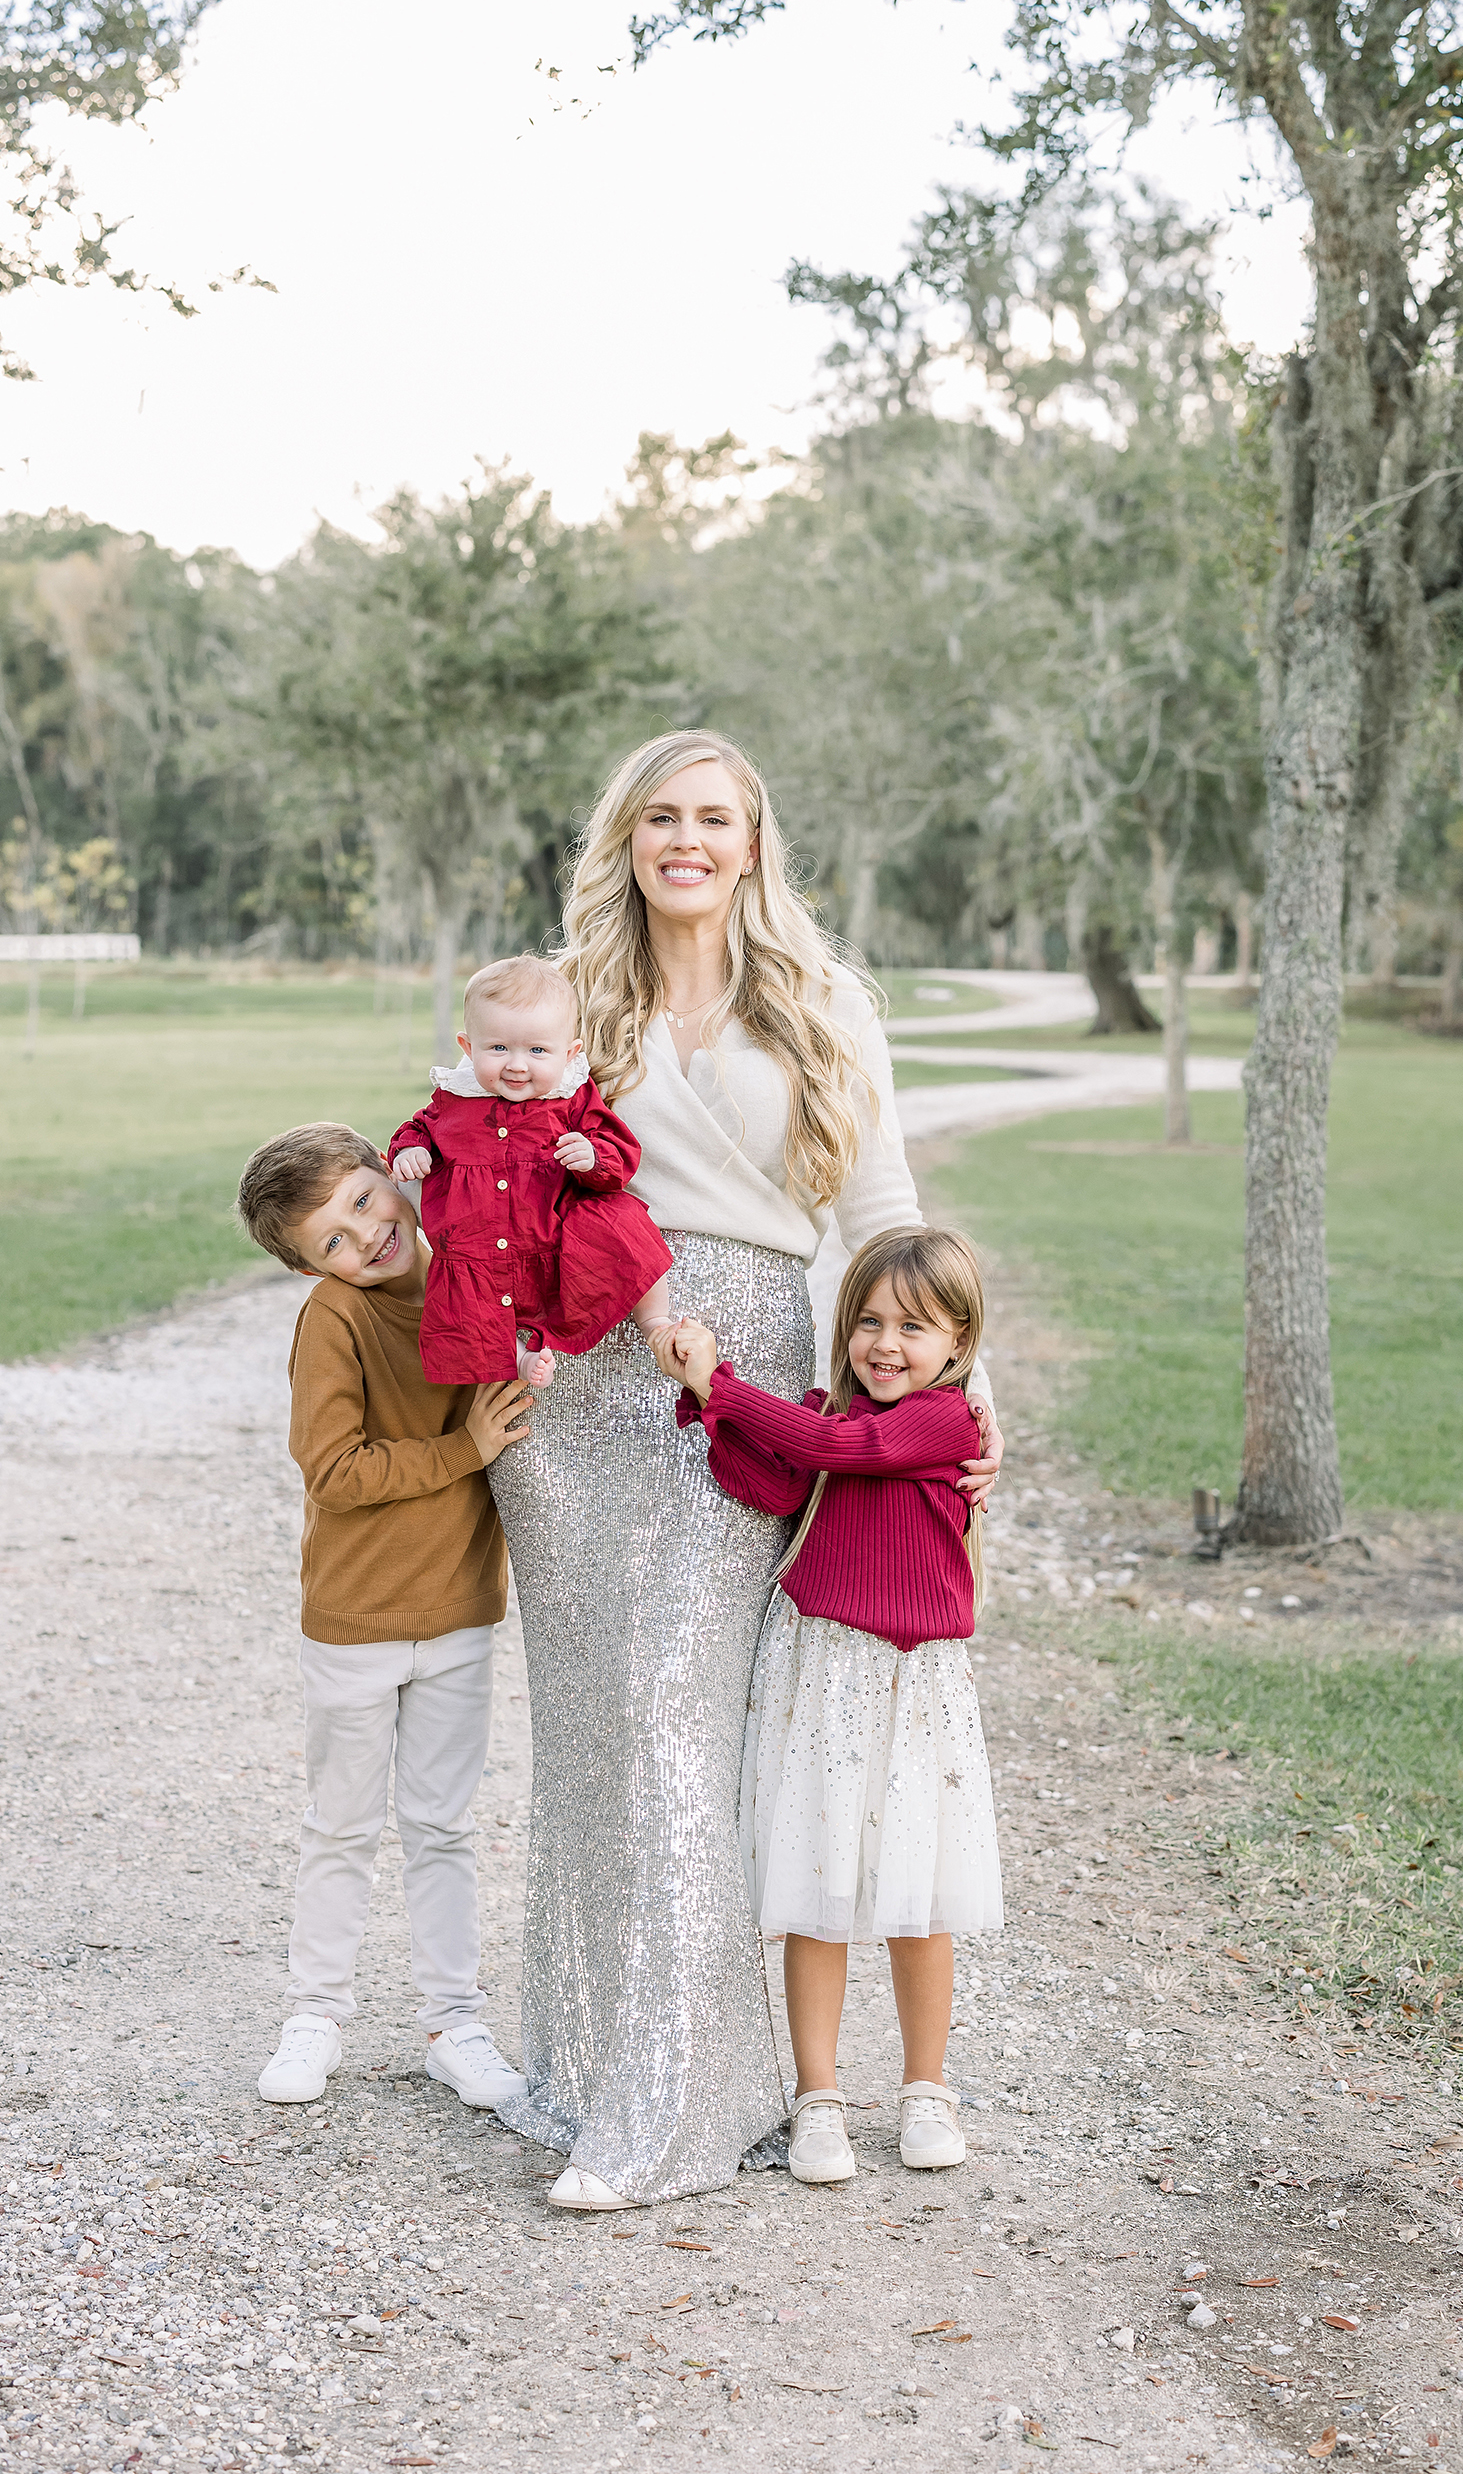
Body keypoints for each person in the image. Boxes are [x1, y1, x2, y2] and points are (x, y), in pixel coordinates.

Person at [483, 727, 1003, 2211]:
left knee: (682, 1727)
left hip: (743, 1383)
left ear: (754, 842)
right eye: (660, 816)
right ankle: (601, 2064)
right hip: (584, 1392)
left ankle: (677, 2106)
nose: (686, 840)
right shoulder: (574, 993)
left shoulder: (822, 999)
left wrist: (966, 1395)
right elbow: (492, 1154)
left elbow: (884, 1199)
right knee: (596, 1742)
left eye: (714, 817)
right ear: (626, 839)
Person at [656, 1225, 1003, 2186]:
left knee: (915, 1894)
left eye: (916, 1328)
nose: (887, 1344)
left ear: (960, 1345)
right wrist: (711, 1407)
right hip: (821, 1669)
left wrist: (722, 1387)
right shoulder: (826, 1413)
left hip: (912, 1680)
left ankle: (926, 2091)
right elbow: (772, 1476)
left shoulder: (943, 1422)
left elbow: (830, 1446)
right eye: (870, 1321)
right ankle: (818, 2100)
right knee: (818, 1891)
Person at [235, 1121, 534, 2109]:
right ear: (309, 1267)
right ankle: (312, 2015)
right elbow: (335, 1468)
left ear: (390, 1174)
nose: (362, 1235)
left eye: (364, 1200)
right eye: (331, 1238)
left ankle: (455, 2023)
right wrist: (466, 1450)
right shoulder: (336, 1320)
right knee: (342, 1826)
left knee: (443, 1826)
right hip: (357, 1619)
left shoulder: (474, 1276)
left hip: (456, 1612)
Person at [388, 954, 673, 1390]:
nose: (517, 1065)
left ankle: (653, 1318)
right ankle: (518, 1357)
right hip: (478, 1243)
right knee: (468, 1306)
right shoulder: (454, 1099)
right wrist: (411, 1149)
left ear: (570, 1052)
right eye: (498, 1048)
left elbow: (618, 1151)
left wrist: (593, 1156)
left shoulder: (571, 1096)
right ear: (468, 1047)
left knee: (624, 1225)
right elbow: (418, 1128)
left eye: (537, 1051)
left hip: (556, 1239)